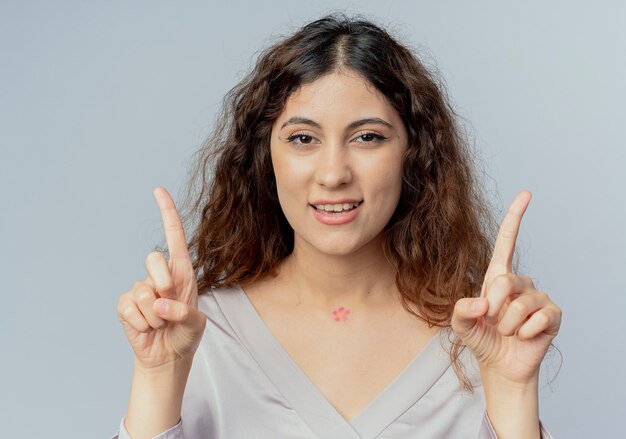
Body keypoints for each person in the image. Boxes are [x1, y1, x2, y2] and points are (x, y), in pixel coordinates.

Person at [113, 13, 561, 439]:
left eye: (367, 137)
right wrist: (159, 375)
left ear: (414, 152)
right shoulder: (200, 332)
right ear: (264, 156)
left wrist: (513, 389)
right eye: (303, 138)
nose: (333, 174)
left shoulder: (481, 338)